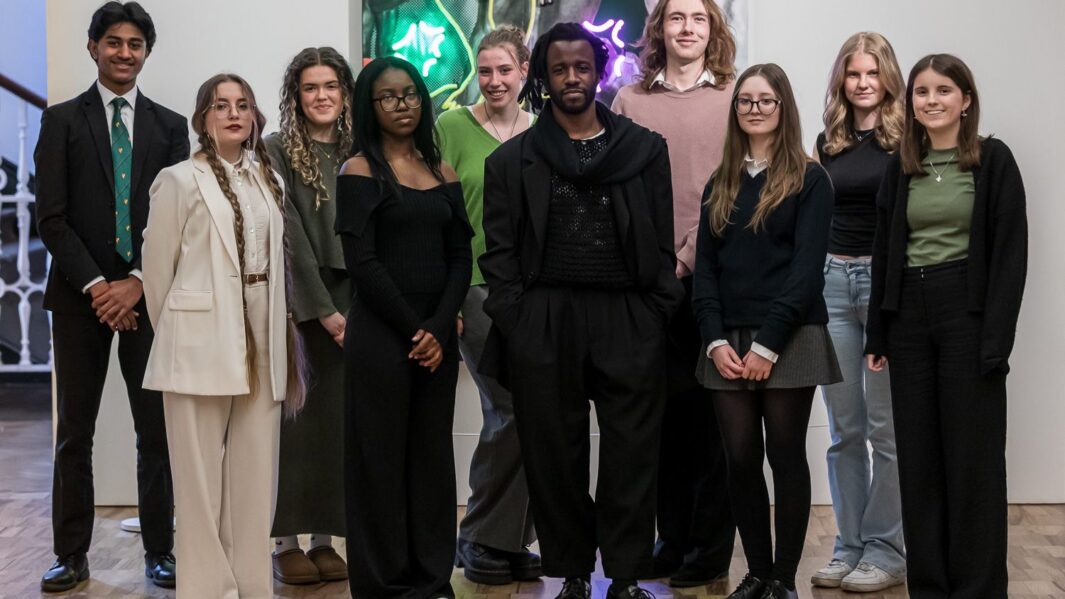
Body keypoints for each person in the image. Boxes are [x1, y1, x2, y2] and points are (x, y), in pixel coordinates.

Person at [479, 22, 684, 599]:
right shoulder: (511, 162)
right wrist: (517, 319)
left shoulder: (644, 151)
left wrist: (654, 311)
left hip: (628, 316)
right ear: (542, 78)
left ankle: (621, 576)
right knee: (554, 453)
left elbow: (662, 243)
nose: (573, 77)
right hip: (545, 318)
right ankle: (570, 572)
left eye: (583, 66)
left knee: (632, 452)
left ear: (599, 71)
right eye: (560, 68)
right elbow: (498, 253)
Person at [33, 2, 187, 591]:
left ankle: (160, 551)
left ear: (146, 52)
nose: (124, 53)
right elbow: (52, 219)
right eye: (113, 42)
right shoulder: (61, 121)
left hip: (148, 298)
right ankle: (70, 554)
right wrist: (100, 286)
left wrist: (138, 283)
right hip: (79, 301)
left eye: (135, 44)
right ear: (93, 47)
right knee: (75, 431)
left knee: (157, 430)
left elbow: (176, 219)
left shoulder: (171, 126)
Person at [864, 54, 1027, 598]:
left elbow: (1009, 256)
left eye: (942, 91)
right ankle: (929, 587)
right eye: (920, 92)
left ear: (966, 100)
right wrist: (877, 333)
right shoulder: (901, 164)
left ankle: (977, 590)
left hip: (968, 314)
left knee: (972, 463)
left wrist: (995, 340)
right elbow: (885, 250)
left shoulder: (993, 160)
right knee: (919, 460)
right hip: (910, 315)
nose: (930, 101)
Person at [141, 73, 305, 598]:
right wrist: (188, 326)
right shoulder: (178, 180)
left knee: (257, 478)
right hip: (196, 340)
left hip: (263, 328)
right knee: (197, 481)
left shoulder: (268, 179)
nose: (233, 114)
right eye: (220, 106)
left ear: (255, 116)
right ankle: (207, 590)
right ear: (202, 118)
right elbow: (158, 276)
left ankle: (253, 586)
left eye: (242, 105)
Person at [692, 63, 840, 599]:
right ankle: (756, 572)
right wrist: (712, 339)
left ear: (783, 108)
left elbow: (805, 274)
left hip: (790, 336)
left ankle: (783, 579)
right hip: (726, 340)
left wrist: (767, 344)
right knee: (738, 457)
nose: (755, 109)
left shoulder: (809, 178)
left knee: (784, 453)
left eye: (766, 100)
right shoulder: (721, 181)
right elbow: (704, 272)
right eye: (746, 101)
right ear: (736, 112)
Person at [610, 0, 736, 586]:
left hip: (717, 276)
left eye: (699, 18)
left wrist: (690, 254)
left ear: (714, 30)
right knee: (656, 417)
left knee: (713, 421)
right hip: (648, 282)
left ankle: (708, 552)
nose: (687, 28)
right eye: (676, 17)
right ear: (659, 28)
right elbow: (615, 189)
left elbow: (742, 181)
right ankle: (672, 537)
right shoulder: (632, 101)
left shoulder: (736, 95)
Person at [337, 56, 472, 599]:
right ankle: (385, 581)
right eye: (389, 96)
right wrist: (418, 329)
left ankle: (432, 576)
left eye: (411, 94)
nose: (403, 104)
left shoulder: (443, 172)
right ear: (370, 107)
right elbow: (362, 263)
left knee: (432, 460)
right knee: (380, 461)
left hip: (435, 338)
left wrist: (439, 328)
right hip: (382, 336)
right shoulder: (359, 172)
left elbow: (461, 256)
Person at [436, 25, 542, 586]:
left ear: (524, 71)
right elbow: (437, 213)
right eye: (485, 70)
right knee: (510, 409)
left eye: (505, 70)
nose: (494, 80)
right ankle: (479, 536)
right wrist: (443, 296)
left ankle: (508, 540)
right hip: (474, 287)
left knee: (533, 410)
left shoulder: (543, 132)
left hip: (532, 293)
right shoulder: (452, 127)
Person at [809, 32, 907, 593]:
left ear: (888, 77)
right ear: (842, 82)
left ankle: (887, 551)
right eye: (853, 74)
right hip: (833, 284)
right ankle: (849, 547)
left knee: (884, 431)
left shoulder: (905, 142)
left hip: (881, 285)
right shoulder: (830, 142)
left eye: (872, 73)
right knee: (844, 431)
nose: (863, 83)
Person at [264, 46, 356, 586]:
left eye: (330, 86)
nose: (321, 96)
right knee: (297, 426)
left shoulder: (361, 148)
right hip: (305, 304)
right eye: (309, 88)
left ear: (344, 93)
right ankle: (286, 542)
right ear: (296, 96)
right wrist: (323, 311)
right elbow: (289, 234)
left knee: (340, 425)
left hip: (358, 299)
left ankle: (326, 539)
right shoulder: (277, 150)